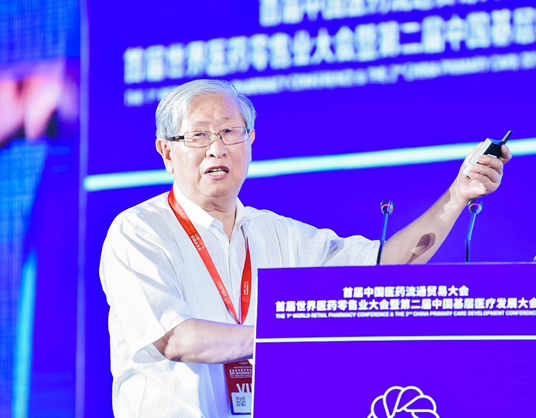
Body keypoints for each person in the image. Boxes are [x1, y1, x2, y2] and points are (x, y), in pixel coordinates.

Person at [100, 79, 511, 417]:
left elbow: (384, 268)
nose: (216, 148)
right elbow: (175, 339)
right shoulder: (140, 231)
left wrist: (457, 196)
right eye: (198, 135)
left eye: (229, 131)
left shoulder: (279, 234)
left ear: (250, 140)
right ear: (167, 152)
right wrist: (289, 335)